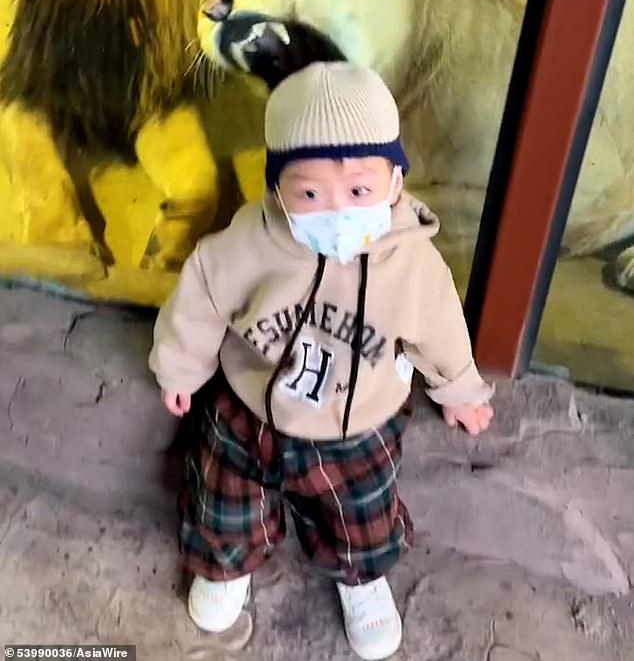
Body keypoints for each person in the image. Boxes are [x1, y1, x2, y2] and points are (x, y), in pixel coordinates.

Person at [149, 61, 494, 661]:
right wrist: (180, 366)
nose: (335, 210)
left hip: (357, 421)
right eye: (309, 192)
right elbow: (201, 296)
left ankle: (360, 576)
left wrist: (459, 388)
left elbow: (440, 327)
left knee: (361, 513)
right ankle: (227, 562)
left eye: (359, 190)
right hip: (252, 407)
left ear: (393, 183)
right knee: (224, 496)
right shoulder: (247, 243)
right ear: (276, 186)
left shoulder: (411, 264)